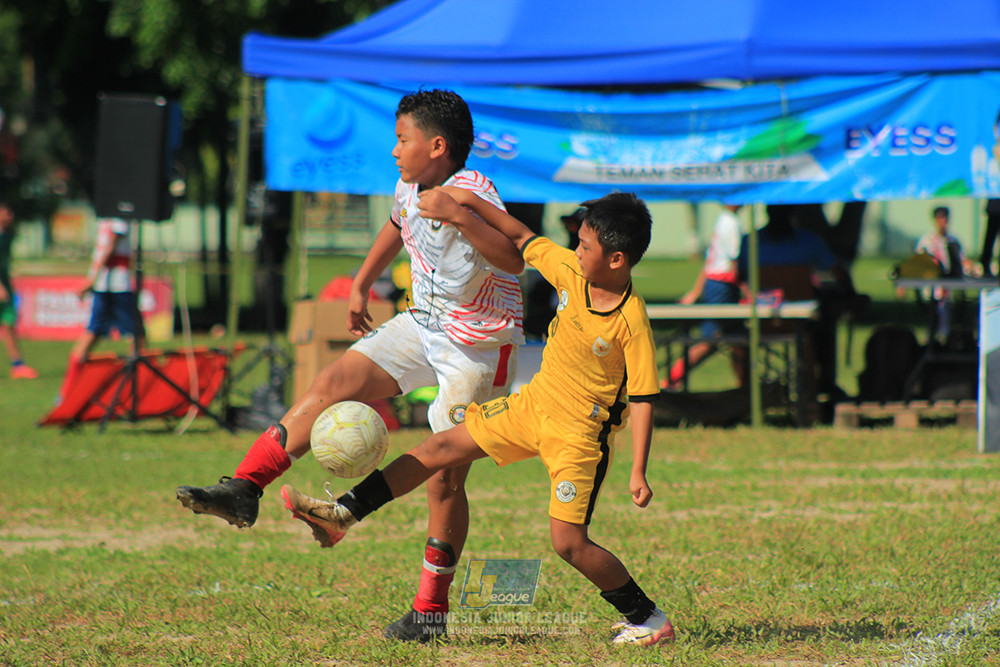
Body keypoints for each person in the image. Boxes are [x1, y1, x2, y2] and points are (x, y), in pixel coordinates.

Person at [175, 89, 525, 643]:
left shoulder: (472, 190)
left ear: (437, 146)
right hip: (425, 322)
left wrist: (460, 216)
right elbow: (397, 224)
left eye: (403, 139)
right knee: (335, 380)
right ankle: (244, 487)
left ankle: (430, 611)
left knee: (445, 477)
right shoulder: (410, 184)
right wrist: (361, 283)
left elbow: (514, 257)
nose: (394, 150)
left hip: (479, 345)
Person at [279, 190, 674, 648]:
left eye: (585, 246)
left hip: (579, 437)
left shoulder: (631, 321)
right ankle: (343, 513)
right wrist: (466, 205)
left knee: (568, 543)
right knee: (440, 448)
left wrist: (638, 470)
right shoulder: (568, 269)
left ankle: (648, 618)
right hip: (531, 406)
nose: (577, 250)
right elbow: (521, 236)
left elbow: (643, 398)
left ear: (617, 259)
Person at [737, 205, 863, 401]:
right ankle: (823, 383)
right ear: (793, 214)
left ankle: (745, 392)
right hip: (801, 323)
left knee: (737, 336)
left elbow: (741, 275)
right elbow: (837, 271)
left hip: (761, 321)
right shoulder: (808, 240)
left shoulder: (750, 241)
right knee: (825, 325)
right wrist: (851, 293)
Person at [55, 216, 143, 403]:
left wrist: (94, 279)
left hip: (104, 285)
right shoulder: (120, 215)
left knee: (92, 334)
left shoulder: (103, 217)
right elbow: (110, 245)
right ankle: (129, 393)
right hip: (118, 285)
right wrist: (91, 279)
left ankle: (66, 393)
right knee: (137, 337)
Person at [665, 204, 745, 390]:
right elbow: (733, 266)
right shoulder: (731, 223)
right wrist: (748, 290)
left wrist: (696, 291)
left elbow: (710, 262)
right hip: (723, 285)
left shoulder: (722, 220)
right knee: (710, 339)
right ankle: (671, 380)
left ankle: (744, 388)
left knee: (738, 340)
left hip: (717, 284)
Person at [915, 205, 972, 341]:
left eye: (945, 218)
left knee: (946, 318)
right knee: (934, 318)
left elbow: (961, 260)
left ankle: (944, 340)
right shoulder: (927, 241)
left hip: (948, 287)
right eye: (940, 219)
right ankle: (933, 341)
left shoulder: (953, 241)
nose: (943, 222)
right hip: (932, 288)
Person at [0, 202, 38, 380]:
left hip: (5, 285)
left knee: (9, 324)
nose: (10, 216)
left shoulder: (7, 236)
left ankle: (17, 365)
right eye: (6, 212)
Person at [979, 199, 1000, 278]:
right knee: (990, 239)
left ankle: (985, 264)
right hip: (994, 209)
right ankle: (985, 264)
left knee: (989, 239)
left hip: (994, 208)